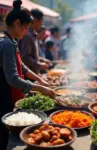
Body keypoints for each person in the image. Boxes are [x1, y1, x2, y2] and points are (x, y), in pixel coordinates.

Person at [0, 1, 55, 149]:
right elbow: (13, 78)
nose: (26, 31)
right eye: (25, 27)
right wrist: (40, 89)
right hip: (3, 97)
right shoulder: (5, 44)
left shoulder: (11, 41)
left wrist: (38, 79)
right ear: (17, 23)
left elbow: (22, 67)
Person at [19, 8, 50, 73]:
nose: (42, 24)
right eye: (41, 20)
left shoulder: (33, 34)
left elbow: (32, 55)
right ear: (35, 20)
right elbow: (25, 57)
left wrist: (42, 60)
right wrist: (40, 65)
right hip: (27, 75)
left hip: (33, 74)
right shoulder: (27, 35)